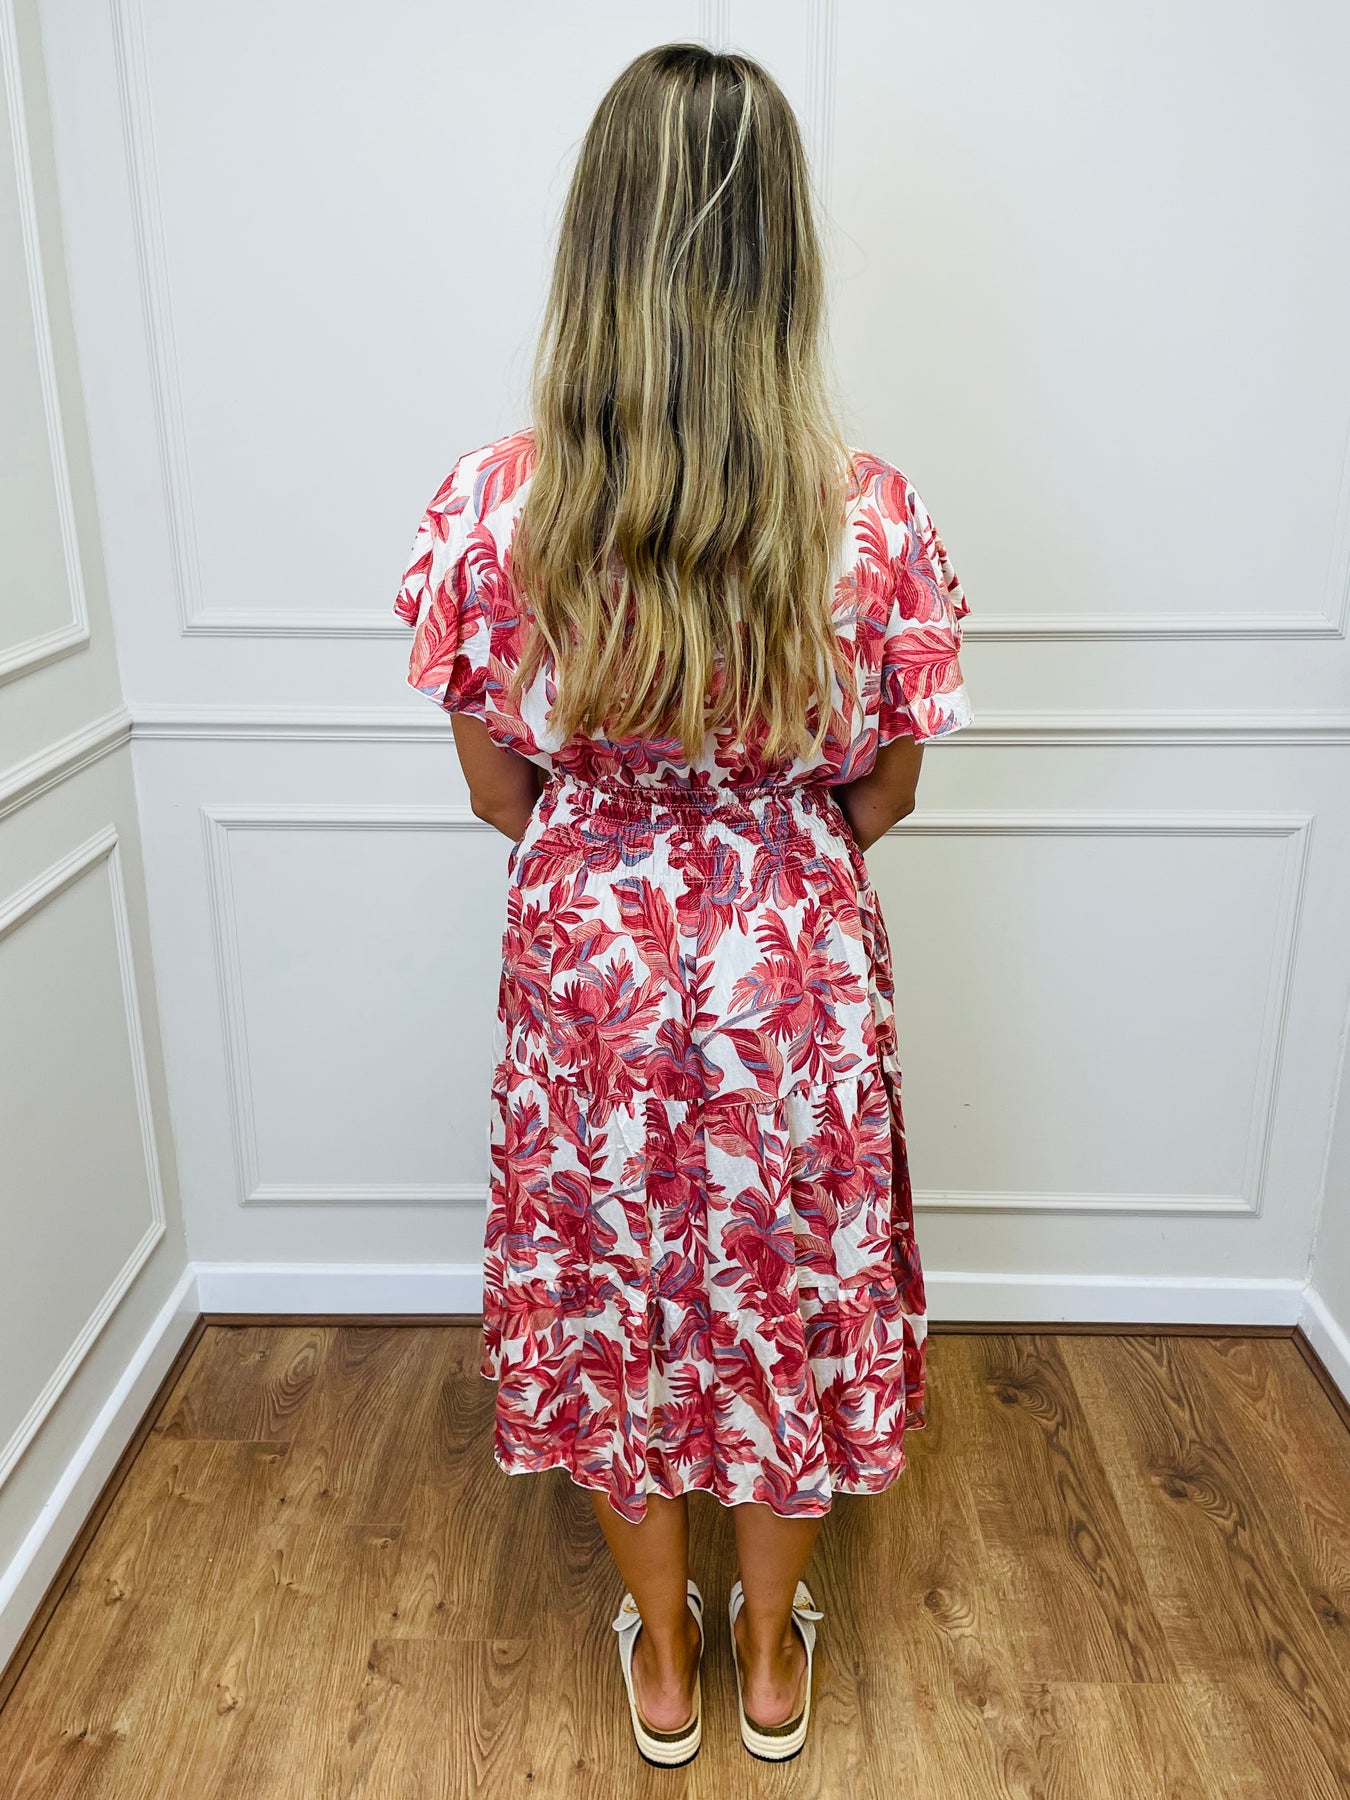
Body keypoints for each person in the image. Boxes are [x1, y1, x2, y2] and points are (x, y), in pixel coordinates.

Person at [393, 41, 973, 1768]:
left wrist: (620, 844)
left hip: (591, 955)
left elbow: (494, 786)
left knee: (608, 1295)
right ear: (778, 255)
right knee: (788, 1285)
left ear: (599, 243)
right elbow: (887, 791)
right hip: (791, 954)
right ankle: (769, 1662)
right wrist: (762, 845)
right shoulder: (866, 517)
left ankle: (663, 1656)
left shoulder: (498, 509)